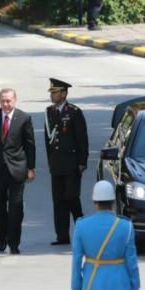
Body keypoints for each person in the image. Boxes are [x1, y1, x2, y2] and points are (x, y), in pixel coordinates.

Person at [0, 88, 36, 254]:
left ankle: (13, 242)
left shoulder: (24, 118)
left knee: (16, 207)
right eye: (3, 101)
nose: (6, 104)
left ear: (15, 100)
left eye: (9, 101)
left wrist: (31, 168)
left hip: (17, 169)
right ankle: (2, 234)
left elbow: (29, 145)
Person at [45, 78, 88, 246]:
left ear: (64, 93)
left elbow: (82, 139)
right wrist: (50, 162)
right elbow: (48, 141)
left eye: (55, 92)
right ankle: (62, 235)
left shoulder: (74, 112)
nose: (52, 95)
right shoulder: (49, 111)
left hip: (72, 163)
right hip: (56, 164)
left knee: (71, 197)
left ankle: (82, 227)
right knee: (58, 201)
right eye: (51, 92)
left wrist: (82, 161)